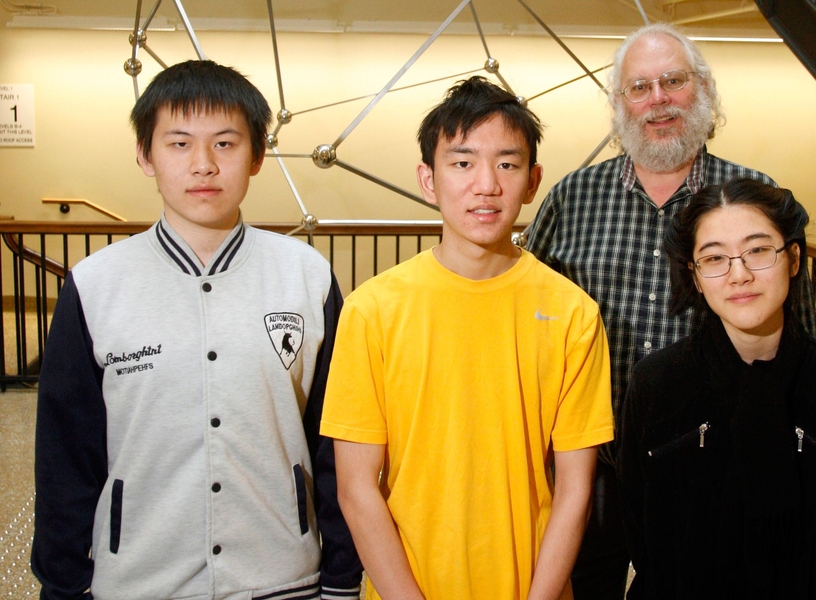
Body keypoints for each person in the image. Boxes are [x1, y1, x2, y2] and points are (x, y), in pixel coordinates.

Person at [31, 60, 362, 600]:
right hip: (136, 581)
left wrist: (342, 578)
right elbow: (65, 457)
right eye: (179, 144)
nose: (203, 165)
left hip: (282, 576)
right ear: (145, 155)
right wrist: (63, 585)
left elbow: (335, 446)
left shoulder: (306, 276)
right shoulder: (95, 286)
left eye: (226, 144)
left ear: (256, 156)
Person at [524, 22, 816, 598]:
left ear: (703, 90)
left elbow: (799, 337)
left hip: (715, 460)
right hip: (593, 464)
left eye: (673, 81)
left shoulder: (756, 197)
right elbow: (526, 311)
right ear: (618, 104)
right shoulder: (572, 197)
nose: (657, 99)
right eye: (639, 87)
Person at [319, 76, 615, 600]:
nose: (486, 184)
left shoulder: (574, 314)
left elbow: (575, 489)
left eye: (507, 163)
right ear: (428, 180)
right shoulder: (373, 310)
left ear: (532, 180)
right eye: (462, 162)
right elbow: (356, 487)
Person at [617, 178, 816, 599]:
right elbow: (639, 521)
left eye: (758, 251)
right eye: (715, 258)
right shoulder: (658, 381)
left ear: (793, 259)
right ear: (696, 277)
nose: (739, 275)